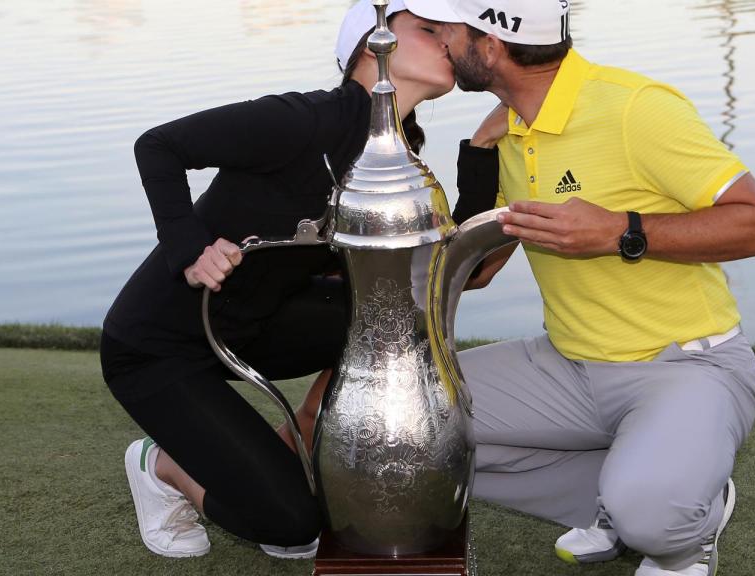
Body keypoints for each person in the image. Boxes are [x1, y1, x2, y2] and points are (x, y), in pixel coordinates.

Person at [99, 0, 488, 560]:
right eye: (427, 29)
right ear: (370, 50)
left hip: (260, 324)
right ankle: (160, 465)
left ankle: (301, 439)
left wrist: (482, 152)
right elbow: (158, 145)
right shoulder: (301, 120)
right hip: (160, 348)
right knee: (294, 528)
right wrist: (189, 250)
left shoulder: (395, 157)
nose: (448, 40)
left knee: (400, 312)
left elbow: (447, 271)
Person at [442, 1, 755, 575]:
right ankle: (627, 491)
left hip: (686, 365)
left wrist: (622, 231)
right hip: (567, 365)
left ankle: (680, 533)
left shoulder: (635, 108)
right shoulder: (509, 130)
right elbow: (477, 272)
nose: (442, 43)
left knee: (652, 515)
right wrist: (477, 154)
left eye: (448, 31)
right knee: (410, 427)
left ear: (491, 45)